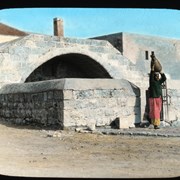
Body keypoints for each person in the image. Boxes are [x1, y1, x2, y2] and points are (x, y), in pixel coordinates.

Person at [148, 54, 166, 129]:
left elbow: (164, 78)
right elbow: (151, 76)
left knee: (157, 111)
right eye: (156, 76)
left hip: (158, 98)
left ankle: (155, 123)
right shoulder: (152, 82)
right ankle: (156, 124)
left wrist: (161, 72)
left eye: (158, 76)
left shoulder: (159, 82)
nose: (157, 77)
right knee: (154, 112)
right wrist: (152, 70)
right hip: (153, 98)